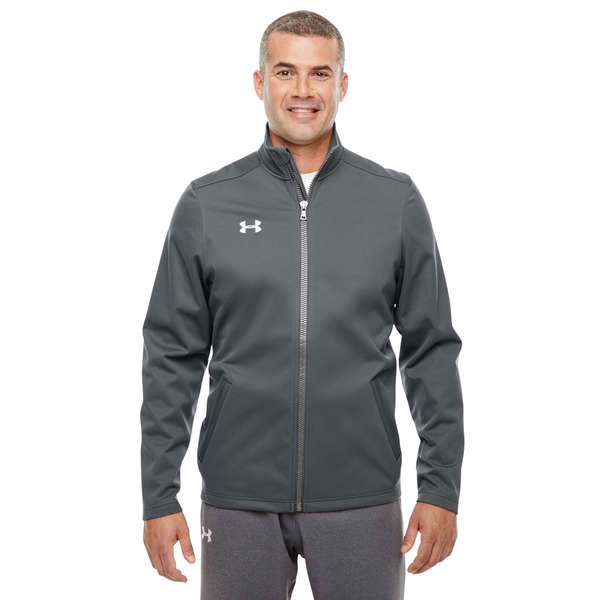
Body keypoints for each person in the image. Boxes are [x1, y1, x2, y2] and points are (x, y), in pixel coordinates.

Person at [140, 10, 464, 600]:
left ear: (343, 84)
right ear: (259, 82)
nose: (303, 90)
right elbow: (171, 354)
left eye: (320, 73)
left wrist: (440, 487)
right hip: (238, 498)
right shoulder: (207, 204)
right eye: (285, 71)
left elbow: (431, 350)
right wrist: (159, 495)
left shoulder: (394, 201)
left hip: (362, 495)